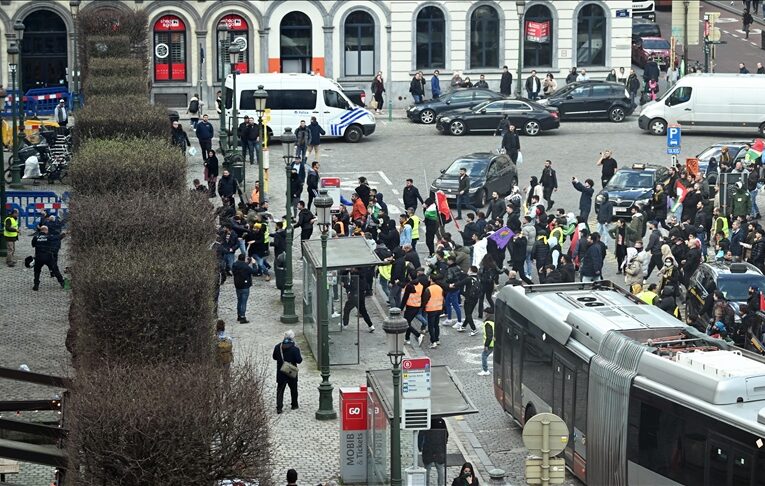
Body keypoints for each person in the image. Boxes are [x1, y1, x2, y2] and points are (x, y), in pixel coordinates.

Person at [273, 330, 302, 414]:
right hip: (291, 371)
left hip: (281, 371)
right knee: (293, 388)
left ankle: (279, 407)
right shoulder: (295, 349)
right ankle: (294, 404)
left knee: (280, 390)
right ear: (292, 338)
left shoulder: (278, 347)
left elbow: (274, 357)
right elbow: (299, 360)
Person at [31, 225, 65, 291]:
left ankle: (36, 285)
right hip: (48, 257)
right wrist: (63, 235)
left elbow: (33, 245)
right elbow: (57, 238)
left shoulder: (36, 237)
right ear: (46, 230)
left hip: (38, 257)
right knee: (55, 270)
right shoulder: (49, 237)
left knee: (37, 271)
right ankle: (62, 283)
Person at [419, 417, 448, 486]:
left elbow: (421, 435)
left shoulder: (425, 421)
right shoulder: (441, 421)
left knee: (427, 469)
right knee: (440, 469)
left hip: (428, 449)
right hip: (439, 449)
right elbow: (446, 434)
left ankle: (426, 484)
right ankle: (441, 484)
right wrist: (444, 444)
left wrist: (420, 447)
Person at [232, 254, 258, 322]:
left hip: (237, 285)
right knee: (244, 302)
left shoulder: (235, 265)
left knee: (239, 301)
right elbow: (255, 271)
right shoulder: (246, 267)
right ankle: (243, 317)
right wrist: (254, 263)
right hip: (245, 286)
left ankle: (239, 315)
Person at [422, 276, 444, 348]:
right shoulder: (439, 288)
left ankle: (433, 341)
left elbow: (425, 300)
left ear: (431, 280)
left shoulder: (429, 289)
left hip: (431, 309)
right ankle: (437, 339)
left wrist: (422, 307)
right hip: (439, 308)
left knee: (431, 326)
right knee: (436, 324)